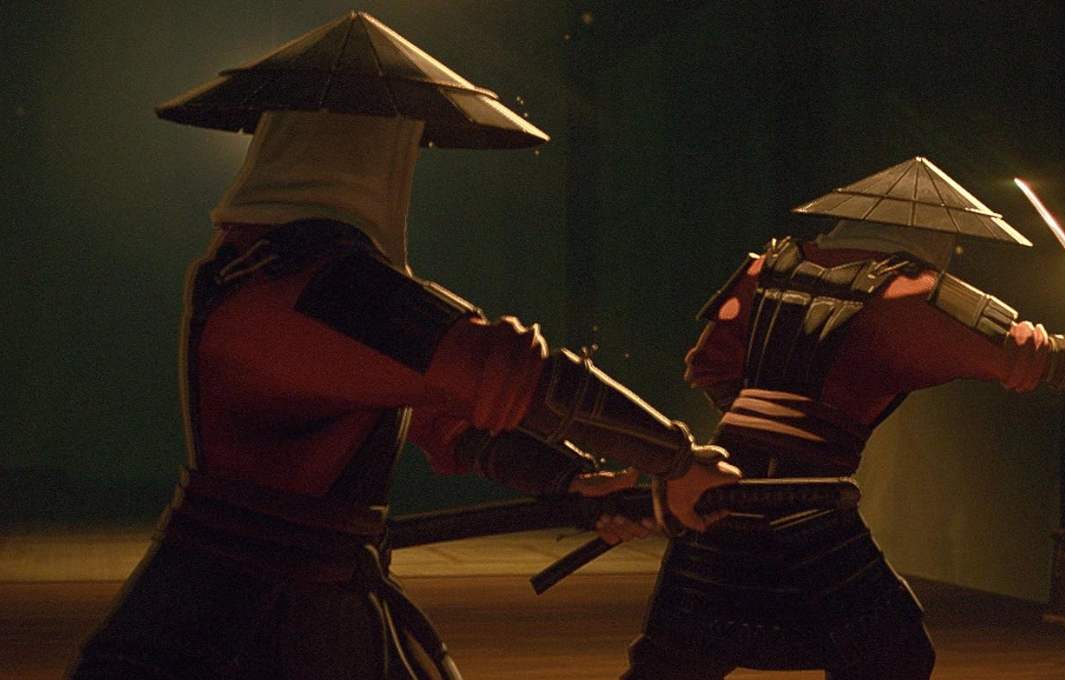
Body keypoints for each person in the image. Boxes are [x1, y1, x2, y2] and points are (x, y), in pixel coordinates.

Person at [65, 12, 738, 680]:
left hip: (293, 599)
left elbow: (440, 420)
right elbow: (505, 373)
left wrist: (568, 481)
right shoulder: (324, 285)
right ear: (371, 152)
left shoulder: (264, 268)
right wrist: (674, 458)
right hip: (241, 622)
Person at [621, 156, 1065, 680]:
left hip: (723, 480)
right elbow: (1029, 354)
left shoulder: (767, 269)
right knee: (891, 654)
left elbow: (709, 367)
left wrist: (766, 422)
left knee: (679, 659)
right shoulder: (910, 293)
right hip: (806, 504)